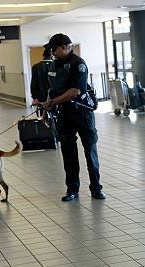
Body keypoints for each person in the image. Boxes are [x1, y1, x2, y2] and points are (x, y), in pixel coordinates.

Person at [42, 33, 105, 202]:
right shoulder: (54, 65)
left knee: (90, 151)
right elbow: (52, 90)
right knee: (68, 154)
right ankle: (72, 190)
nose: (52, 53)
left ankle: (96, 188)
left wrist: (54, 101)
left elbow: (76, 91)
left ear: (64, 47)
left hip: (82, 114)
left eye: (53, 49)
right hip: (64, 115)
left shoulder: (79, 64)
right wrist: (45, 111)